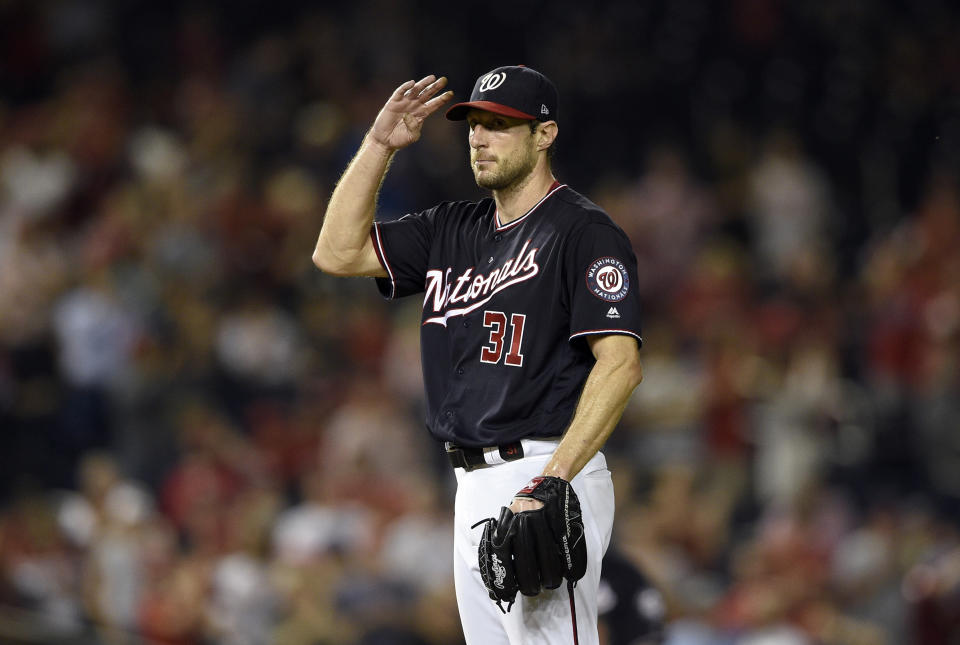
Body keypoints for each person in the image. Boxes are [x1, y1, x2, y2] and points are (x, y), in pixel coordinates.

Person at [313, 65, 644, 645]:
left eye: (501, 124)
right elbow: (336, 252)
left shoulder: (583, 232)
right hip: (469, 482)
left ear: (545, 134)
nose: (481, 137)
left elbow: (621, 363)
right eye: (474, 125)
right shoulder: (451, 229)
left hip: (542, 466)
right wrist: (377, 146)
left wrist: (554, 478)